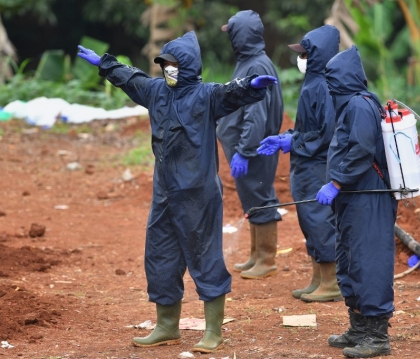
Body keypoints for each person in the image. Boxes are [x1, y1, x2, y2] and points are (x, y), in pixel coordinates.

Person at [77, 31, 278, 353]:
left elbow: (230, 93)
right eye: (163, 63)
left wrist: (251, 86)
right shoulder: (156, 91)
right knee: (159, 256)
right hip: (165, 193)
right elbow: (132, 78)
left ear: (186, 66)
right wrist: (105, 63)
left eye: (172, 64)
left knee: (205, 257)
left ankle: (213, 331)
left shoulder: (206, 95)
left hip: (197, 193)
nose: (166, 69)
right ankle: (167, 326)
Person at [315, 46, 398, 358]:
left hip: (369, 198)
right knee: (350, 261)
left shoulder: (359, 106)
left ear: (345, 78)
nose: (330, 85)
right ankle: (359, 328)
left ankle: (377, 338)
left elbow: (362, 150)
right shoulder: (350, 104)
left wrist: (336, 182)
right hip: (354, 198)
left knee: (369, 262)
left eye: (332, 78)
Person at [257, 25, 342, 302]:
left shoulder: (325, 86)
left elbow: (325, 134)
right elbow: (308, 127)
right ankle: (317, 277)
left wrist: (294, 142)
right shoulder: (313, 82)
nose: (300, 59)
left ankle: (331, 282)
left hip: (318, 165)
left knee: (319, 221)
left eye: (305, 53)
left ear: (319, 55)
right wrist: (287, 136)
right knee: (308, 221)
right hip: (306, 165)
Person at [218, 10, 284, 280]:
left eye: (232, 33)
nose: (230, 39)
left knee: (261, 198)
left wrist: (244, 151)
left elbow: (255, 115)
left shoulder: (257, 65)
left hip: (254, 149)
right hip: (246, 147)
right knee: (252, 198)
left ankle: (267, 260)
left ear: (240, 36)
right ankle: (256, 255)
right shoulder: (249, 61)